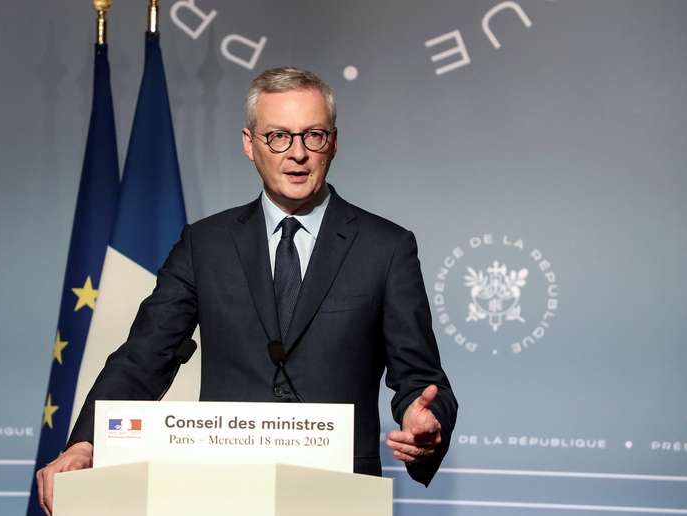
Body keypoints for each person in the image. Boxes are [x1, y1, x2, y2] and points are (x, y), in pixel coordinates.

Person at [36, 66, 457, 514]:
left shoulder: (386, 248)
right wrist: (85, 443)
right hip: (223, 492)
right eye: (278, 137)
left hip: (339, 496)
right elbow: (143, 358)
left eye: (313, 135)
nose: (297, 153)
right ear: (249, 144)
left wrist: (425, 420)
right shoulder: (206, 245)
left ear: (333, 143)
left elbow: (421, 379)